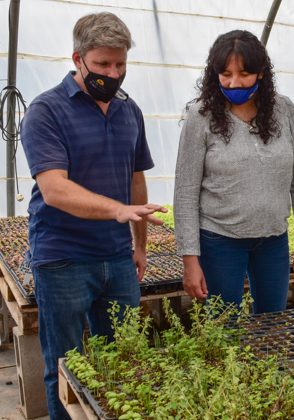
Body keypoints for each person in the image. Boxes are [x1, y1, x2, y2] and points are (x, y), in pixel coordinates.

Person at [19, 12, 166, 419]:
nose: (113, 73)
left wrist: (139, 245)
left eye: (120, 64)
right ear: (77, 59)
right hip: (63, 258)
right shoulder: (46, 111)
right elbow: (54, 189)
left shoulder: (128, 110)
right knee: (66, 365)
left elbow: (136, 179)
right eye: (103, 64)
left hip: (118, 258)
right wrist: (117, 210)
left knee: (124, 359)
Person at [174, 30, 294, 314]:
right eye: (225, 74)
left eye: (244, 74)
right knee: (225, 327)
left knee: (272, 321)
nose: (233, 83)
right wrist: (190, 258)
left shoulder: (283, 110)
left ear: (261, 73)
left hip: (273, 240)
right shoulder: (201, 116)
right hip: (220, 240)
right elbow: (185, 192)